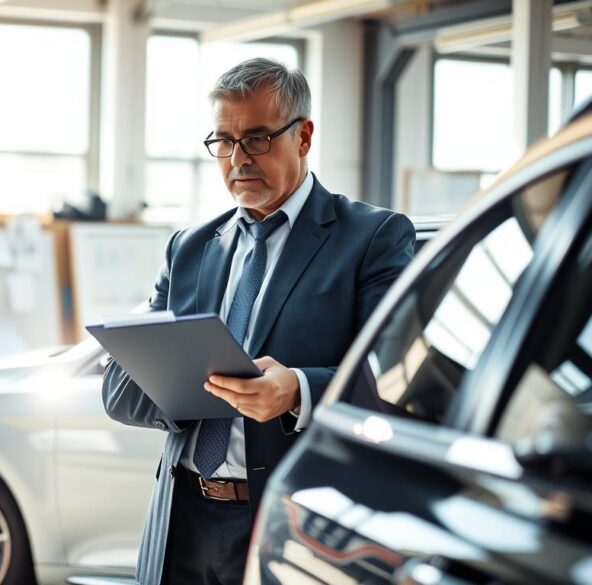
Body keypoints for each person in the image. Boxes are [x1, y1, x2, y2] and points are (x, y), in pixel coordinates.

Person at [102, 57, 415, 585]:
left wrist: (297, 390)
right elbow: (118, 388)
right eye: (223, 141)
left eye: (257, 139)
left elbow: (397, 377)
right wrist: (184, 385)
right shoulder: (190, 248)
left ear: (304, 135)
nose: (237, 159)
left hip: (294, 523)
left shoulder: (372, 238)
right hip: (183, 517)